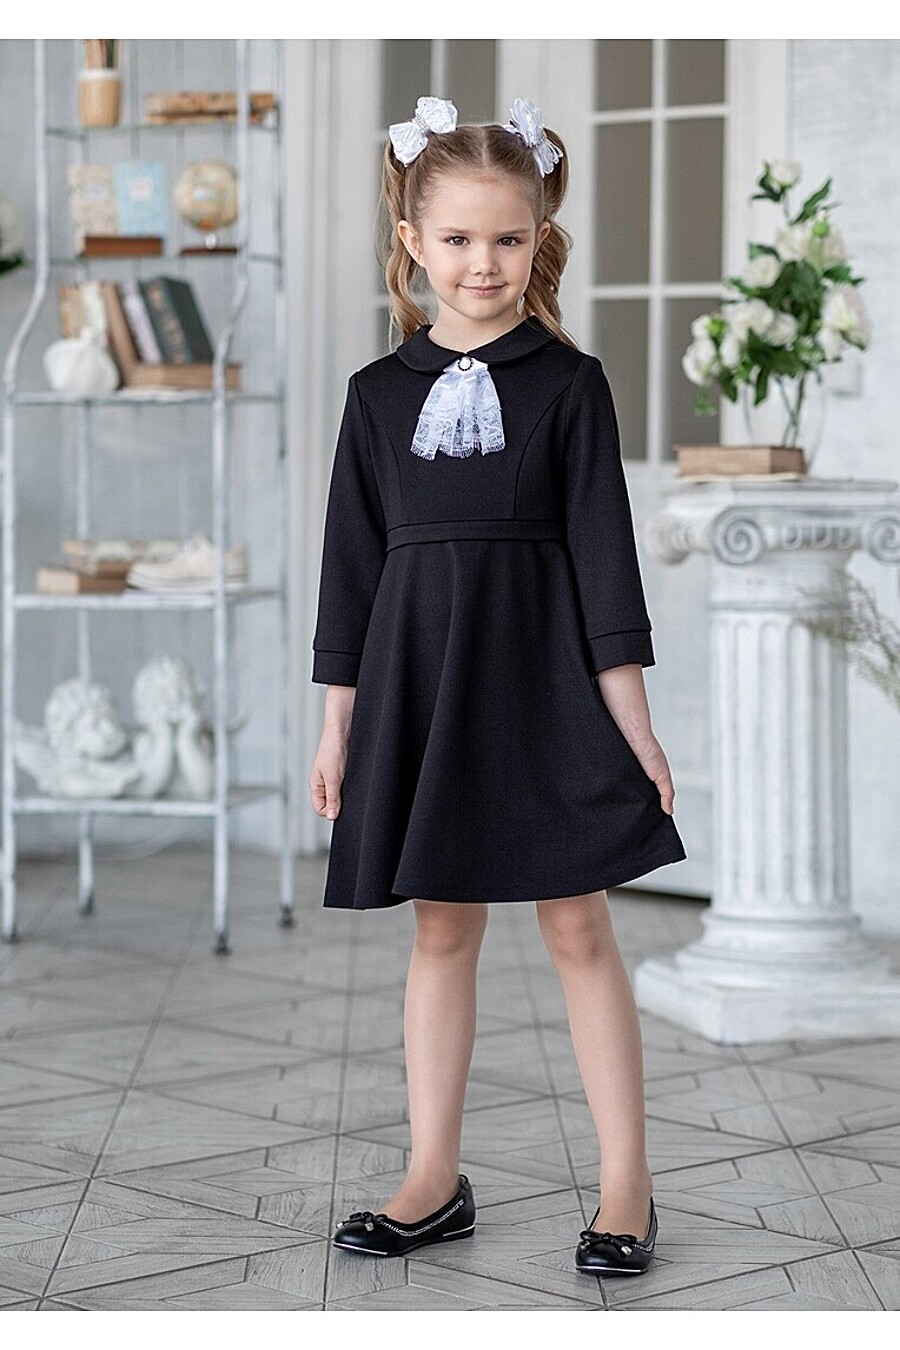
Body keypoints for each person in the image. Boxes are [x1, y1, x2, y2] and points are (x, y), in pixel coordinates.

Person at [308, 95, 687, 1277]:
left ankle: (626, 1182)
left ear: (539, 241)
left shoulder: (571, 385)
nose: (485, 262)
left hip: (544, 682)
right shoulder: (376, 395)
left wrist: (636, 727)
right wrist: (337, 727)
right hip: (422, 686)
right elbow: (350, 572)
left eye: (509, 238)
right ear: (414, 242)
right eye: (460, 239)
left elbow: (607, 567)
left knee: (578, 923)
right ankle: (433, 1174)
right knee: (442, 929)